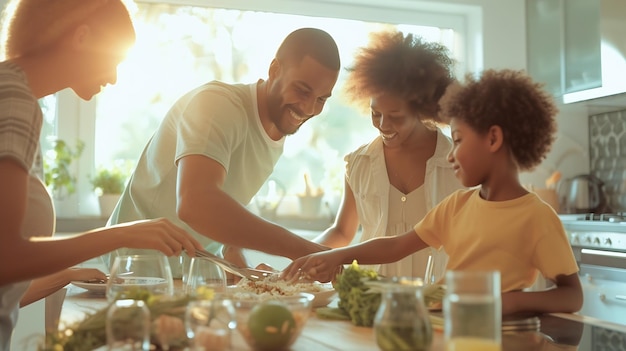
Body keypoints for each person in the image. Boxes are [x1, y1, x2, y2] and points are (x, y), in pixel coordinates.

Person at [283, 69, 584, 315]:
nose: (451, 154)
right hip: (442, 329)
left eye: (459, 140)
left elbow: (571, 296)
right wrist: (340, 256)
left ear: (493, 139)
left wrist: (510, 302)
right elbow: (396, 246)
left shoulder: (537, 216)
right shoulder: (457, 205)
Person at [0, 1, 203, 348]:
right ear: (81, 37)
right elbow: (6, 258)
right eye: (114, 60)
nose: (112, 78)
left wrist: (67, 275)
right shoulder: (15, 99)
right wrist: (122, 234)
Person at [106, 27, 341, 277]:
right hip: (133, 270)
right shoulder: (218, 104)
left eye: (321, 100)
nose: (308, 108)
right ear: (274, 70)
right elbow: (195, 204)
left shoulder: (277, 129)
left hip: (191, 275)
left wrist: (237, 259)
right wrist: (304, 250)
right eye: (302, 91)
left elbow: (225, 201)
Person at [312, 30, 463, 281]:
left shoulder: (458, 162)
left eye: (396, 116)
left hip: (440, 303)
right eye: (375, 113)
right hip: (374, 302)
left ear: (421, 109)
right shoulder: (359, 164)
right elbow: (341, 231)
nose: (383, 124)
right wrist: (302, 259)